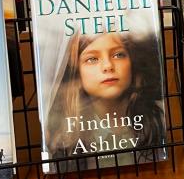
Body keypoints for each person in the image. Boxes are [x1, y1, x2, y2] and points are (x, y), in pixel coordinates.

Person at [45, 32, 166, 166]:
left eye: (118, 55)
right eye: (92, 59)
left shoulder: (159, 119)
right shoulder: (63, 138)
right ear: (77, 72)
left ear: (132, 62)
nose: (108, 66)